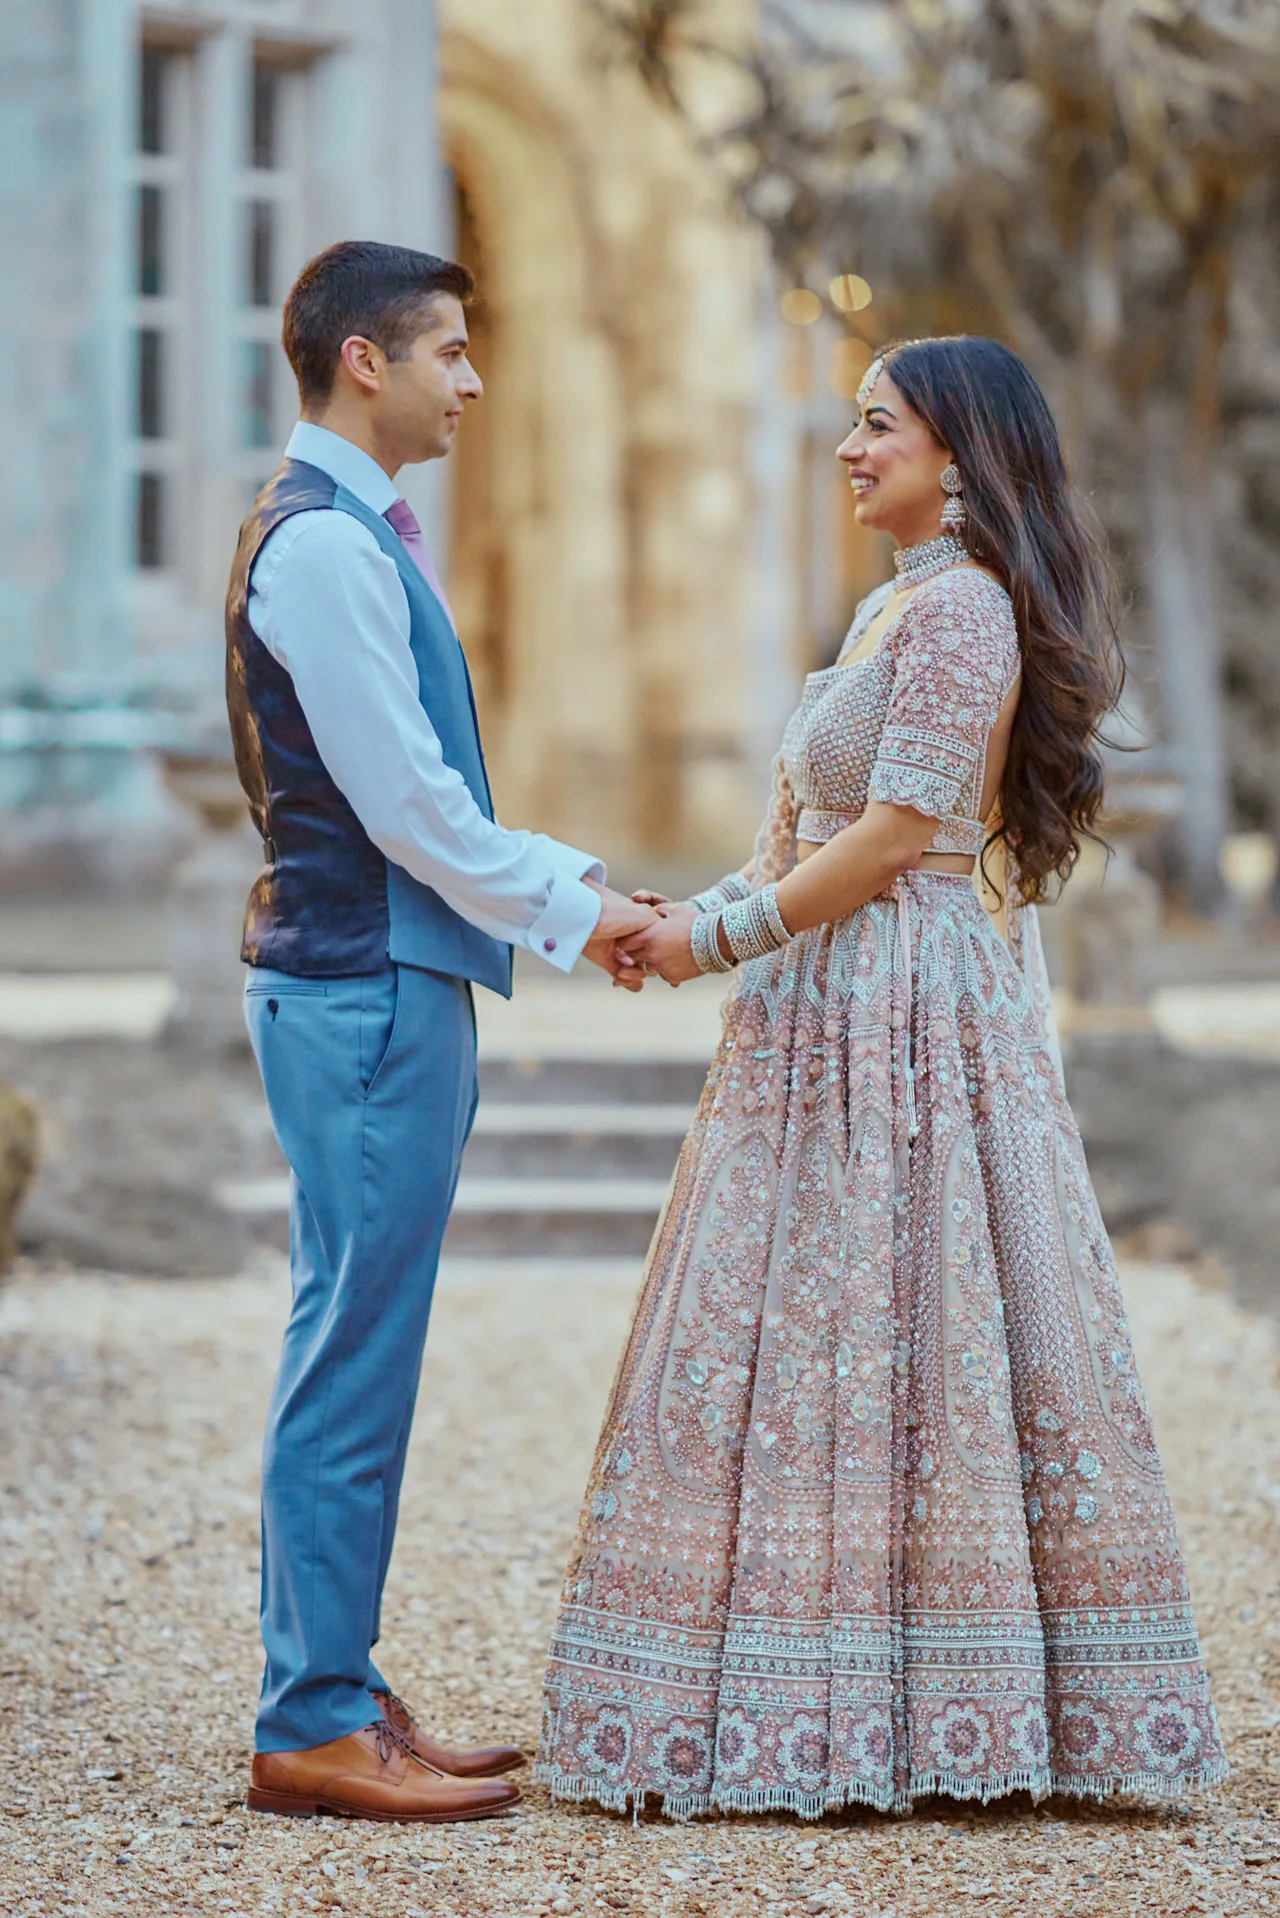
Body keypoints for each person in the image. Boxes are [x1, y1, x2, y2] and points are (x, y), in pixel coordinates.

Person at [537, 336, 1227, 1818]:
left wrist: (713, 937)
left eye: (879, 426)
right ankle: (808, 1675)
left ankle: (936, 1694)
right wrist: (669, 919)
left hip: (904, 1008)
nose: (851, 449)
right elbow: (798, 836)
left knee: (921, 1304)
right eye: (851, 423)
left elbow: (898, 833)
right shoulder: (890, 608)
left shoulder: (967, 609)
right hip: (828, 1000)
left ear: (960, 459)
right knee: (818, 1311)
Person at [226, 239, 655, 1824]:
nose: (473, 383)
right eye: (452, 353)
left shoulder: (343, 533)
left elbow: (412, 795)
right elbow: (407, 803)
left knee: (353, 1340)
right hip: (365, 985)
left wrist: (564, 884)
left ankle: (332, 1681)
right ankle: (312, 1715)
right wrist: (579, 903)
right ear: (365, 363)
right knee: (353, 1350)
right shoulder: (326, 548)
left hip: (373, 978)